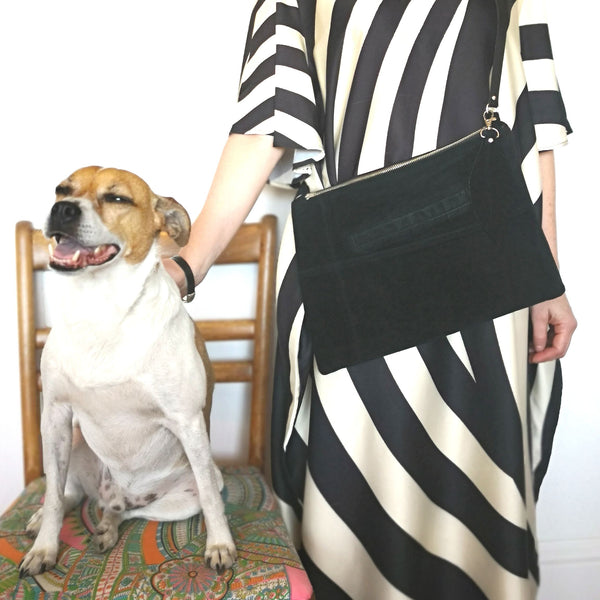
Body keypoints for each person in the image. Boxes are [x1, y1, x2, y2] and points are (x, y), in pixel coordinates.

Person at [165, 0, 577, 598]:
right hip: (355, 281)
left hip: (486, 288)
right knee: (353, 517)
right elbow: (267, 122)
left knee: (477, 516)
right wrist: (187, 265)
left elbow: (533, 116)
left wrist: (549, 278)